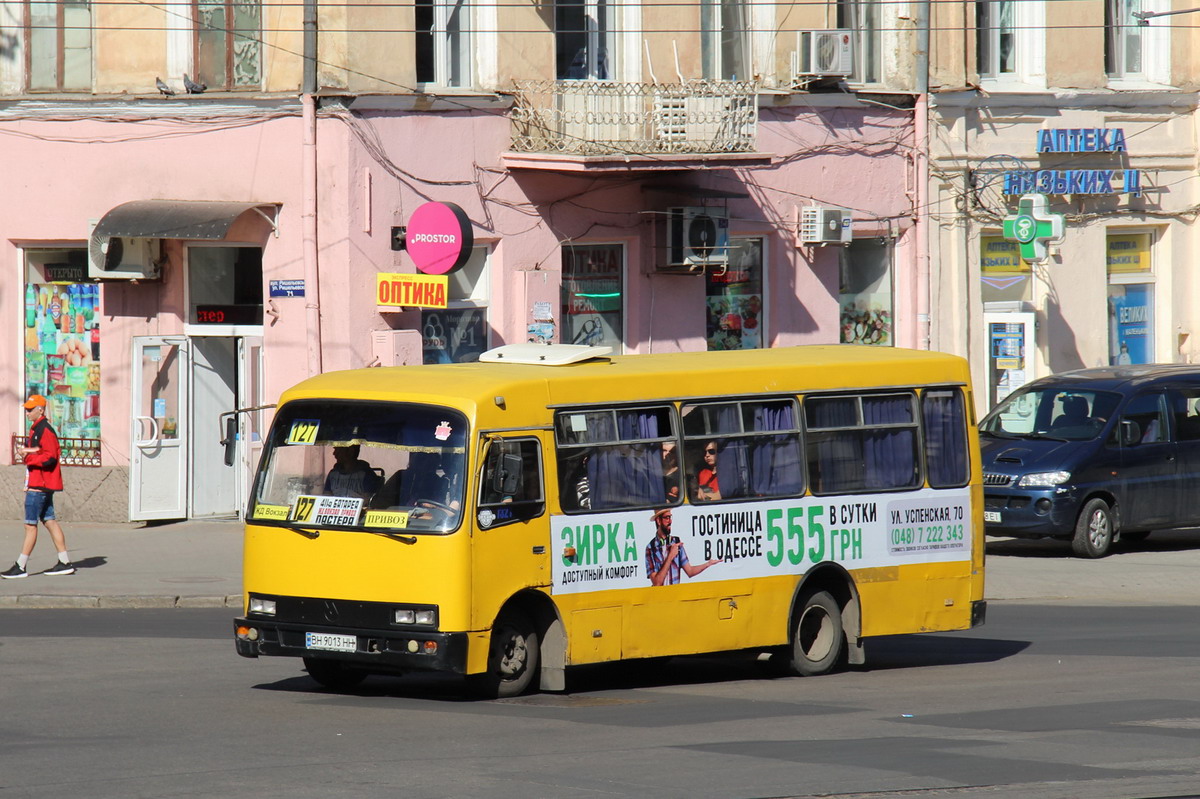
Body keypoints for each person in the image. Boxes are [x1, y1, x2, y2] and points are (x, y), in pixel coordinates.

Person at [2, 395, 74, 578]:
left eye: (30, 409)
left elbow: (50, 457)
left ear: (40, 410)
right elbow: (42, 451)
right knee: (49, 521)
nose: (27, 412)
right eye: (26, 409)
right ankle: (64, 562)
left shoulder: (44, 430)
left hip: (39, 485)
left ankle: (20, 566)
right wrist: (28, 451)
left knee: (30, 525)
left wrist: (28, 457)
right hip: (41, 483)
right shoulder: (38, 429)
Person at [645, 508, 719, 586]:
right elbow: (657, 582)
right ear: (658, 521)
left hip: (675, 595)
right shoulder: (650, 548)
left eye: (670, 517)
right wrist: (670, 556)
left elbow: (690, 571)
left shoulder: (676, 542)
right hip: (660, 596)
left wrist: (708, 564)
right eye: (667, 518)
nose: (670, 521)